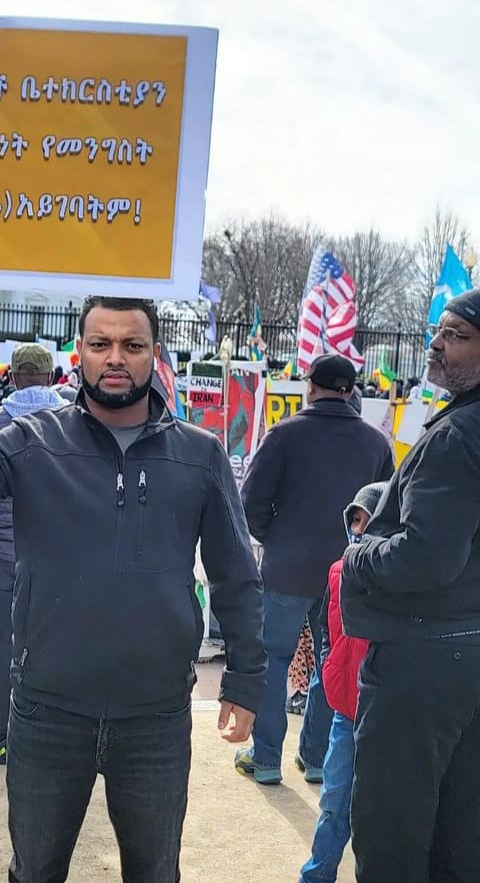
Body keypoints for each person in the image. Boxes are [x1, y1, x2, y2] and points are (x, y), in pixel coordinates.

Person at [0, 295, 266, 883]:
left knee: (155, 873)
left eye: (132, 345)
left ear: (156, 355)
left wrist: (246, 678)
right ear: (78, 351)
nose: (115, 358)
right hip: (48, 711)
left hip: (154, 716)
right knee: (35, 870)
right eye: (100, 343)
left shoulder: (198, 455)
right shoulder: (30, 440)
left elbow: (236, 574)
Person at [341, 291, 480, 882]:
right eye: (437, 329)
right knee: (459, 834)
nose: (436, 342)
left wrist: (359, 554)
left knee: (392, 831)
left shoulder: (456, 437)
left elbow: (427, 558)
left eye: (455, 333)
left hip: (424, 659)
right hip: (463, 650)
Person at [236, 354, 394, 785]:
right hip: (348, 570)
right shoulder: (376, 443)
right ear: (351, 391)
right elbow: (386, 510)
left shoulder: (284, 435)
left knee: (274, 659)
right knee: (334, 661)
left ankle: (266, 756)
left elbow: (250, 504)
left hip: (289, 567)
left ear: (310, 386)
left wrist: (276, 538)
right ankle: (316, 755)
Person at [0, 343, 68, 764]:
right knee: (57, 642)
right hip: (61, 552)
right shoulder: (72, 420)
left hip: (4, 551)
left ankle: (0, 736)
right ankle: (50, 735)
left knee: (2, 644)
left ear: (14, 376)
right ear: (49, 376)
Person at [298, 481, 388, 883]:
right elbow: (327, 631)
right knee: (334, 800)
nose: (359, 529)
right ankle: (317, 875)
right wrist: (331, 668)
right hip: (345, 711)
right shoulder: (336, 572)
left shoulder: (401, 579)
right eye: (355, 519)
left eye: (369, 521)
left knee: (381, 808)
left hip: (386, 715)